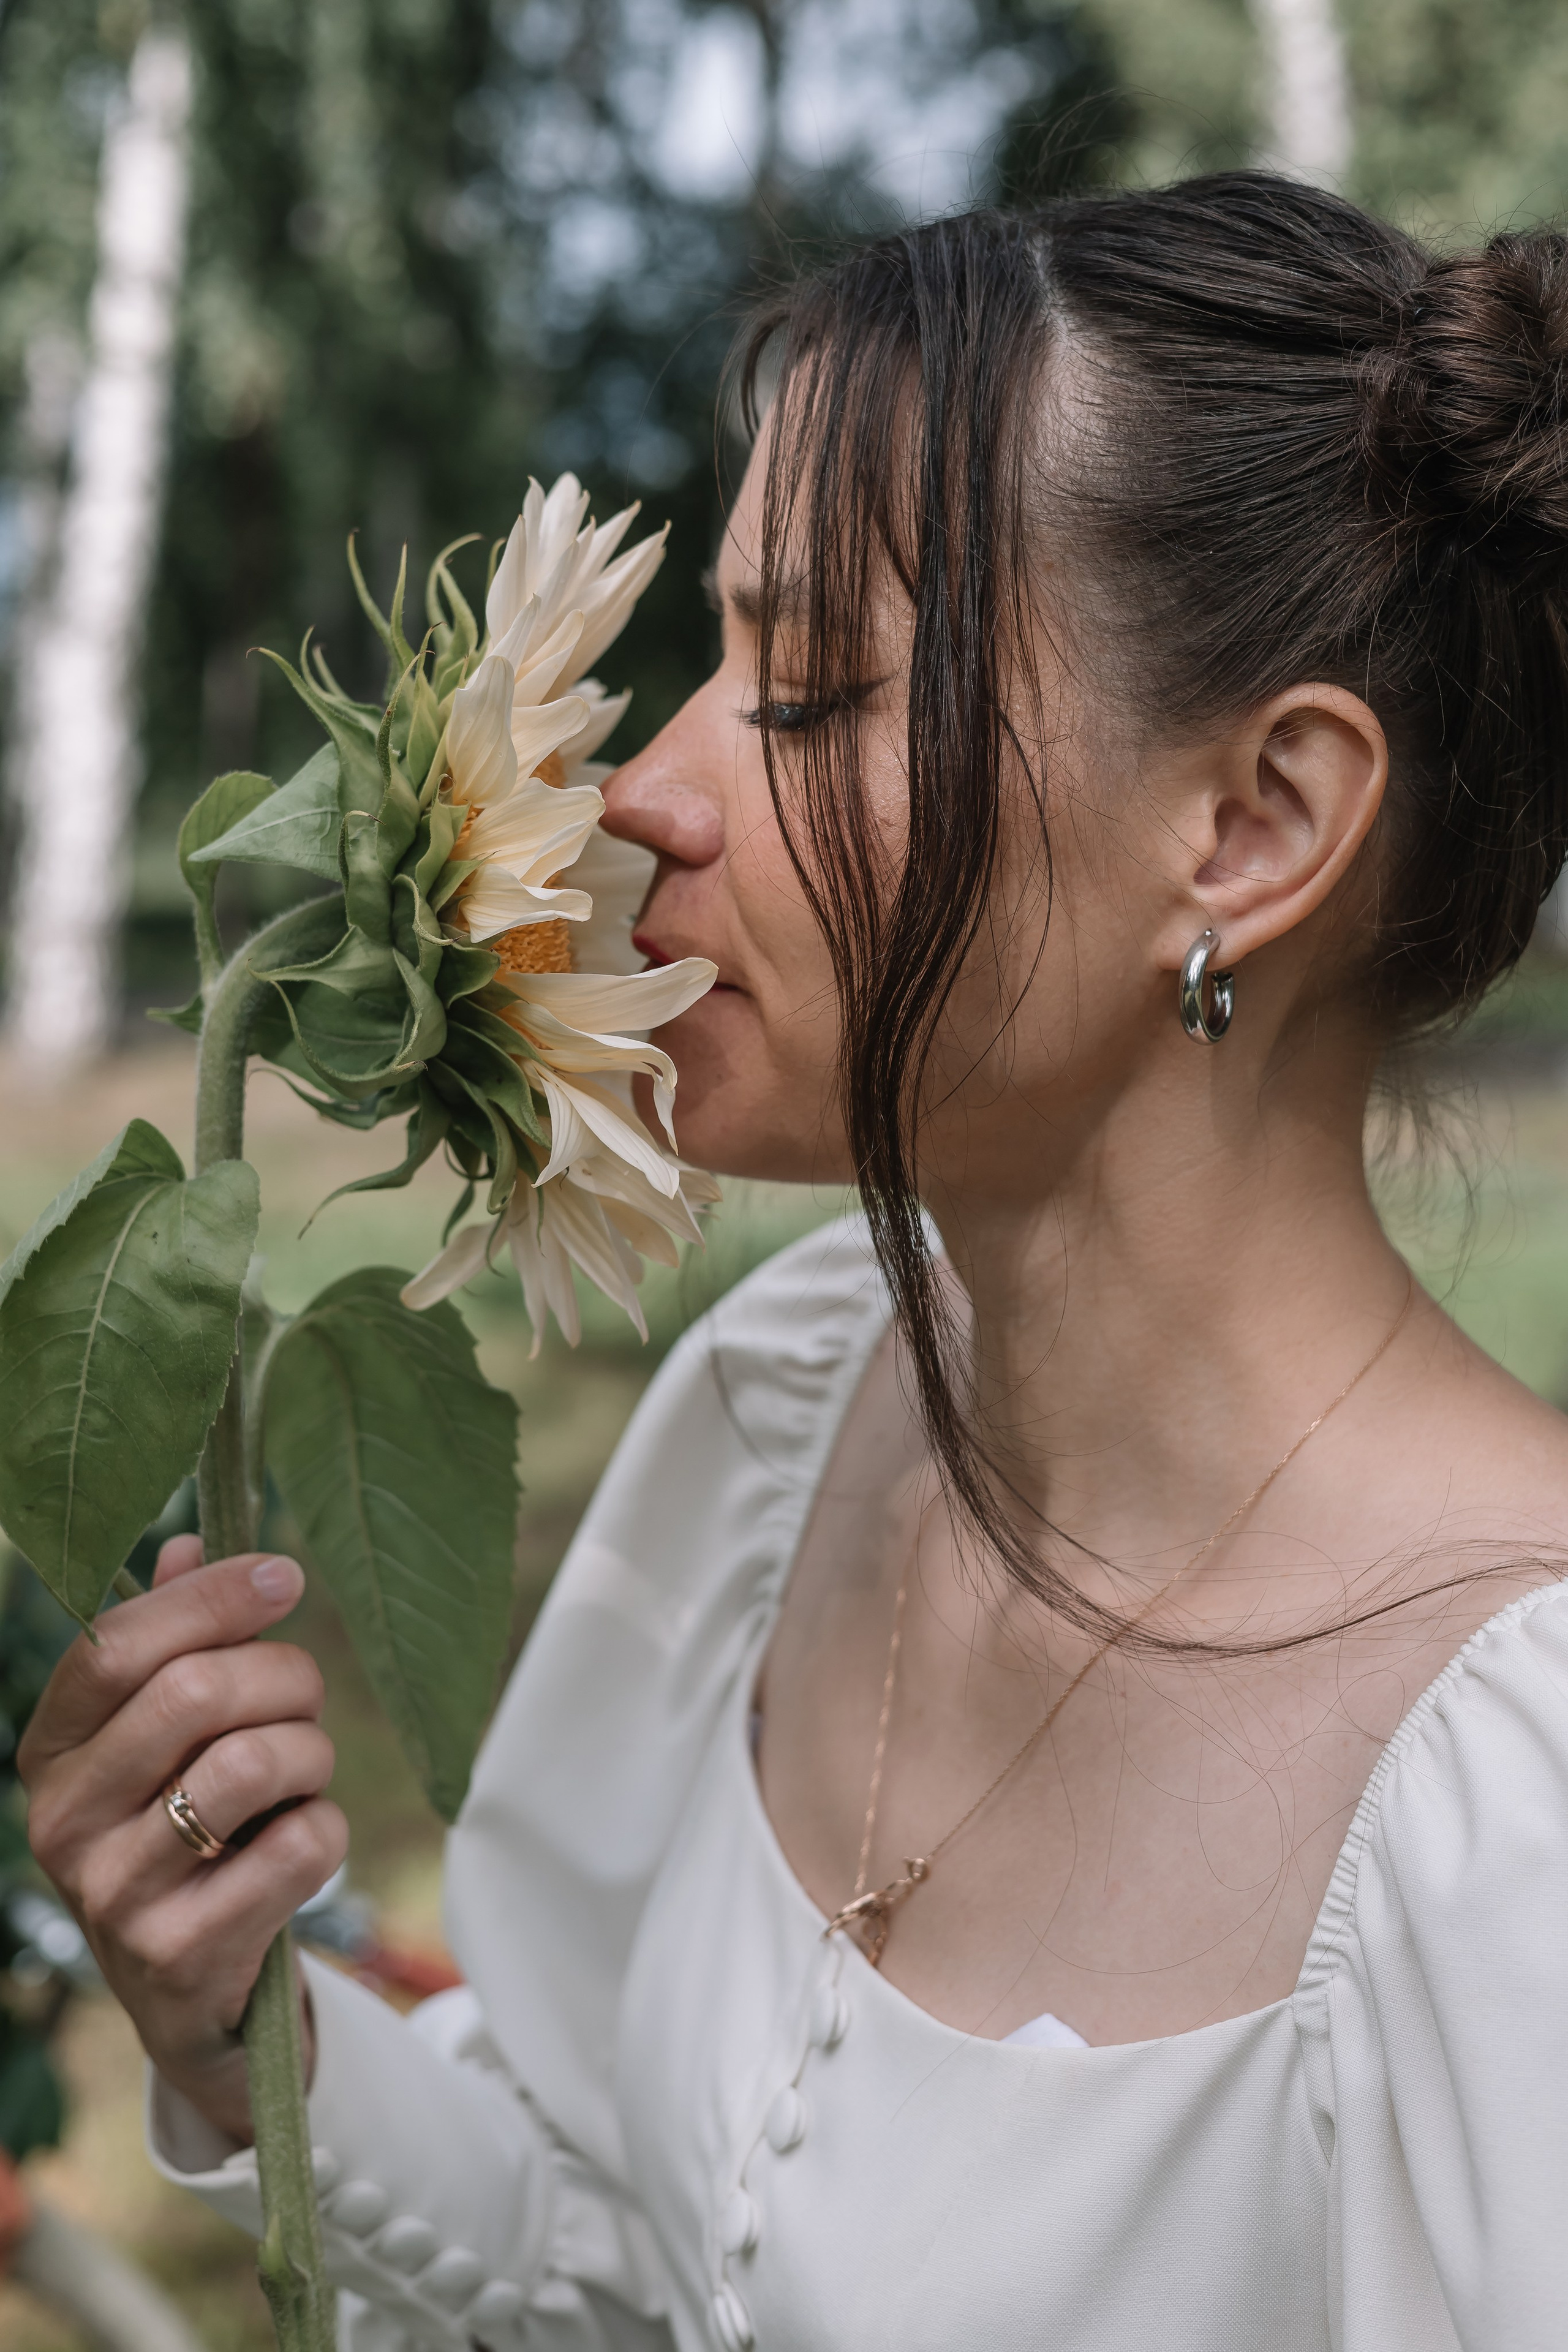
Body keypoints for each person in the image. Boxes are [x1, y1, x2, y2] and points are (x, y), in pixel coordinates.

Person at [20, 173, 1568, 2351]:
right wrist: (231, 2034)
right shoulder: (788, 1402)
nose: (644, 798)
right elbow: (633, 2248)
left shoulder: (1520, 1816)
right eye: (711, 659)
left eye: (817, 688)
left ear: (1253, 828)